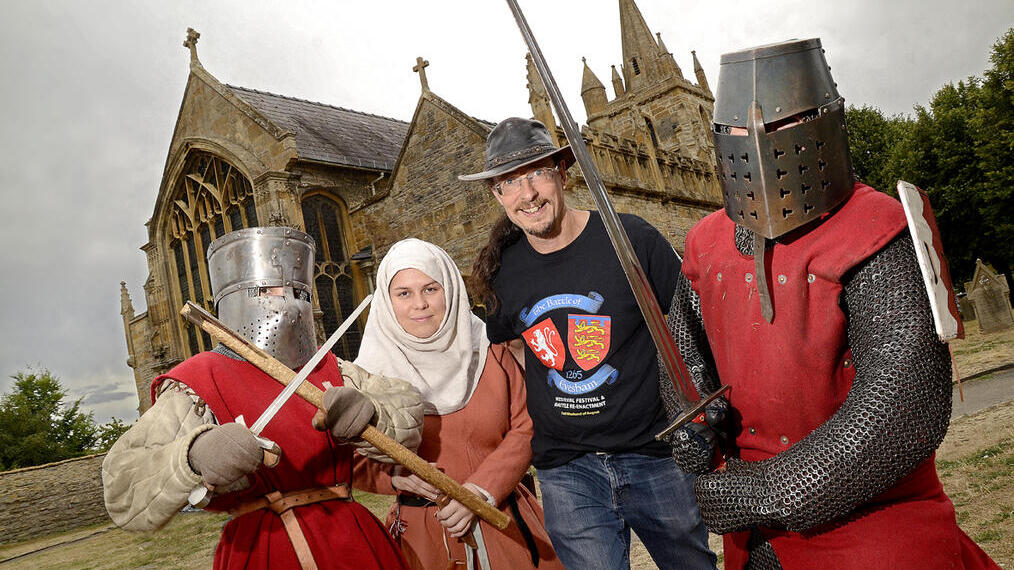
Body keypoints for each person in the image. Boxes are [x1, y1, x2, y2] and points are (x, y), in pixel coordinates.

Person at [659, 39, 1000, 569]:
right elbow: (682, 353)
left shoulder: (875, 229)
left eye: (780, 127)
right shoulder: (706, 243)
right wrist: (690, 418)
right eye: (739, 133)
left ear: (822, 123)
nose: (760, 147)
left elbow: (902, 407)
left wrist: (770, 491)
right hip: (755, 536)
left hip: (874, 517)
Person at [464, 118, 716, 569]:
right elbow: (510, 346)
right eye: (510, 183)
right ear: (497, 196)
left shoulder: (631, 238)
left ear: (562, 173)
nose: (528, 194)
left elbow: (692, 323)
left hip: (654, 453)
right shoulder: (504, 271)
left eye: (536, 174)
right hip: (567, 469)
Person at [102, 226, 423, 570]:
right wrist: (191, 456)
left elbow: (408, 409)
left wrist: (371, 415)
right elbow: (123, 489)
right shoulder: (196, 382)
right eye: (268, 289)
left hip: (352, 541)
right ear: (237, 298)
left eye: (297, 290)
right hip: (263, 551)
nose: (287, 300)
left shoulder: (330, 367)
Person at [352, 238, 563, 570]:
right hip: (420, 539)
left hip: (503, 524)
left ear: (449, 288)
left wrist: (479, 493)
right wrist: (391, 477)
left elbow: (527, 427)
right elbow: (347, 458)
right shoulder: (366, 375)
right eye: (403, 293)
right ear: (386, 300)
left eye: (430, 289)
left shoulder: (491, 351)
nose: (419, 303)